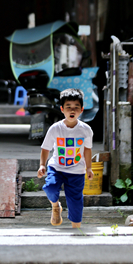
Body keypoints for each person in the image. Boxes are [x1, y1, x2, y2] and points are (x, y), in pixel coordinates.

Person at [37, 88, 94, 228]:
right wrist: (42, 165)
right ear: (62, 109)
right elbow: (46, 148)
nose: (72, 110)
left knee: (75, 200)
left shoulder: (86, 130)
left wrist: (89, 168)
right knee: (50, 187)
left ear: (82, 109)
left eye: (76, 107)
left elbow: (87, 149)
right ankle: (56, 206)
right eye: (68, 107)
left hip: (77, 170)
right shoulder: (55, 128)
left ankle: (76, 228)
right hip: (56, 166)